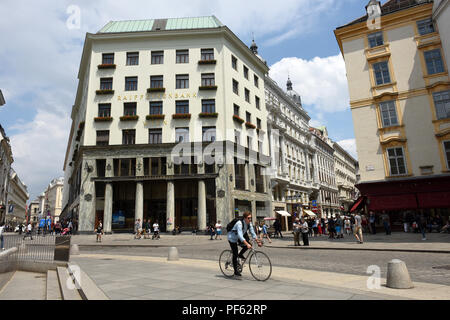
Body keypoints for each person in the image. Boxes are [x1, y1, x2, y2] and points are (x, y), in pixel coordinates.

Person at [227, 211, 262, 276]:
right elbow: (240, 235)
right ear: (245, 218)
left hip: (240, 237)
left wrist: (258, 241)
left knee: (249, 245)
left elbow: (252, 232)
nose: (250, 219)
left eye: (250, 218)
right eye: (248, 218)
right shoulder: (239, 223)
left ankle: (240, 254)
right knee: (235, 253)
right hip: (232, 237)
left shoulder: (249, 223)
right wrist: (247, 244)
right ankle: (235, 271)